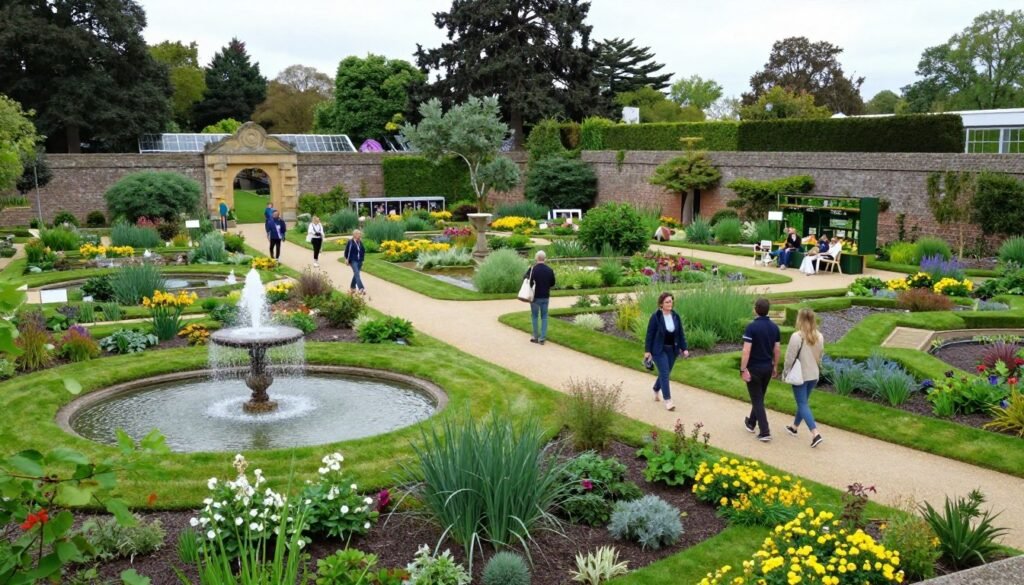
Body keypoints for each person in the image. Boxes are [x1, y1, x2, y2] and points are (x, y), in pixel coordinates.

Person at [782, 308, 825, 448]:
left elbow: (789, 358)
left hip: (800, 375)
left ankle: (815, 433)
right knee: (803, 402)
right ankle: (794, 427)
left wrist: (785, 371)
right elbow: (820, 356)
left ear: (799, 319)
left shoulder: (797, 336)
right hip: (813, 374)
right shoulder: (819, 336)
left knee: (802, 404)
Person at [740, 298, 781, 441]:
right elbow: (777, 349)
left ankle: (765, 431)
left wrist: (743, 369)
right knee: (759, 397)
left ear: (756, 309)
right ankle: (751, 422)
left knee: (757, 399)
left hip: (754, 368)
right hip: (767, 367)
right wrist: (775, 366)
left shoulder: (751, 327)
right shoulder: (774, 328)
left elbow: (746, 350)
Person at [644, 292, 689, 412]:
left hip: (672, 350)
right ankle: (668, 400)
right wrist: (647, 351)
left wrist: (684, 348)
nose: (670, 303)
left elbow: (680, 334)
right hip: (659, 350)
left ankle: (655, 388)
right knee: (664, 373)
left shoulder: (675, 316)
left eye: (671, 301)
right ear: (661, 304)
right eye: (667, 302)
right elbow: (650, 334)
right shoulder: (656, 317)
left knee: (665, 373)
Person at [526, 250, 556, 345]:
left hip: (534, 297)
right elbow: (552, 283)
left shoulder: (532, 269)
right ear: (545, 259)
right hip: (545, 296)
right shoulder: (549, 270)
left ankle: (535, 336)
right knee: (544, 317)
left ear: (536, 258)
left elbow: (526, 280)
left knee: (534, 316)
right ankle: (542, 338)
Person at [344, 229, 366, 294]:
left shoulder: (360, 242)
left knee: (356, 274)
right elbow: (347, 251)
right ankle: (361, 288)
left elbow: (363, 251)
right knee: (357, 273)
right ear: (354, 235)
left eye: (360, 234)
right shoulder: (350, 242)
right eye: (358, 234)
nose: (360, 235)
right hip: (353, 260)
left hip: (359, 260)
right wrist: (346, 259)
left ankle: (352, 287)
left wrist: (363, 261)